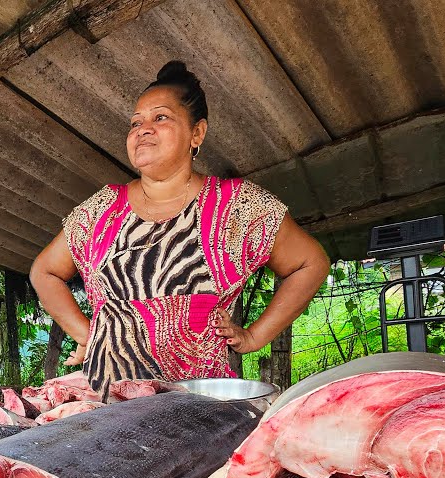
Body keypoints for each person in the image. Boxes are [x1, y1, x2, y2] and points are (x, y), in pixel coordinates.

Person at [30, 61, 329, 394]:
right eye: (136, 122)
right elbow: (44, 271)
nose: (143, 130)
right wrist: (87, 334)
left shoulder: (237, 206)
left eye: (161, 118)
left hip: (199, 408)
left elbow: (310, 263)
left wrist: (254, 337)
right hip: (110, 406)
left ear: (196, 133)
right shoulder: (101, 211)